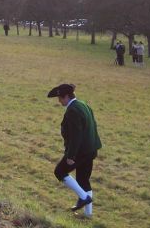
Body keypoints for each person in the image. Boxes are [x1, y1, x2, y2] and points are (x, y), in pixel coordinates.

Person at [47, 83, 101, 218]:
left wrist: (71, 155)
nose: (59, 101)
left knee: (59, 171)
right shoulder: (84, 105)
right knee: (84, 180)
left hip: (80, 151)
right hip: (91, 149)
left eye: (60, 98)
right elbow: (93, 126)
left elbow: (76, 135)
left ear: (66, 96)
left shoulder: (72, 111)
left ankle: (83, 197)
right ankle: (88, 215)